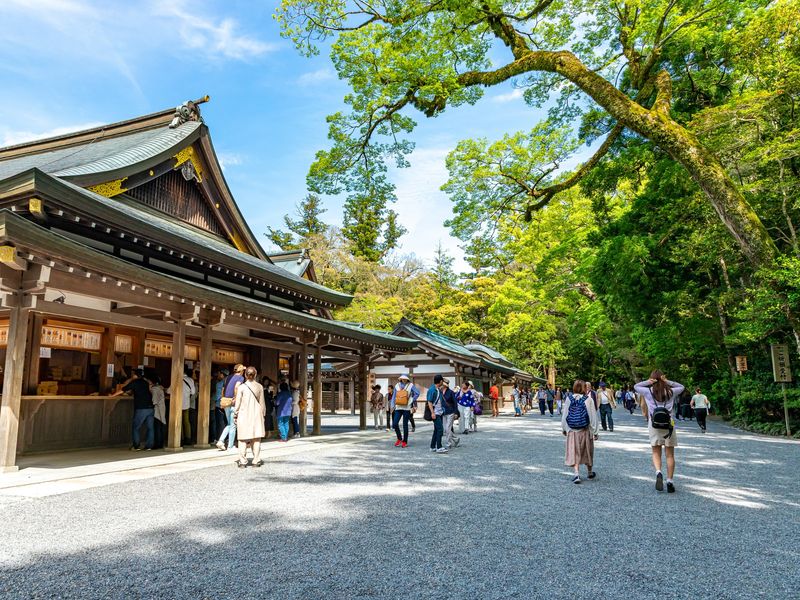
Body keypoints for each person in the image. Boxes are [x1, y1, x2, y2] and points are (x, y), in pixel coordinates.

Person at [636, 371, 685, 493]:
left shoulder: (648, 392)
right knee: (670, 454)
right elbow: (681, 387)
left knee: (656, 452)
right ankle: (670, 480)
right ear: (663, 379)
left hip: (654, 425)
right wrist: (667, 381)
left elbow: (636, 386)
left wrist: (649, 382)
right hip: (668, 426)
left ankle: (658, 472)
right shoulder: (671, 392)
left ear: (652, 379)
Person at [561, 380, 599, 484]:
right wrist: (595, 431)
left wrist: (564, 429)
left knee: (575, 451)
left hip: (573, 431)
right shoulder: (588, 400)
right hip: (585, 430)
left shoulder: (569, 399)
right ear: (584, 388)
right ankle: (590, 472)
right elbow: (593, 417)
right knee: (587, 450)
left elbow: (565, 415)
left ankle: (576, 474)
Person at [233, 366, 266, 467]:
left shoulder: (242, 387)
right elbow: (262, 403)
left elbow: (237, 403)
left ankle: (243, 461)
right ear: (255, 375)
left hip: (243, 414)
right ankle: (256, 460)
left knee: (242, 439)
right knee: (256, 438)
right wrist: (263, 415)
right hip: (257, 414)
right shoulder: (259, 387)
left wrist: (235, 413)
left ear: (245, 375)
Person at [113, 368, 154, 451]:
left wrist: (112, 395)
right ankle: (149, 446)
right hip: (150, 407)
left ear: (135, 375)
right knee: (150, 427)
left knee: (136, 427)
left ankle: (136, 446)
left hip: (141, 407)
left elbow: (123, 389)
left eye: (133, 374)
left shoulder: (135, 382)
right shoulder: (146, 382)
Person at [216, 364, 245, 451]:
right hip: (232, 403)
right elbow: (237, 387)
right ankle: (230, 446)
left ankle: (221, 441)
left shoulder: (228, 377)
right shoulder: (240, 378)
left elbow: (223, 389)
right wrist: (236, 398)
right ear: (241, 371)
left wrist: (222, 399)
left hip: (225, 402)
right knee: (233, 425)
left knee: (229, 424)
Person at [391, 374, 419, 448]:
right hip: (398, 407)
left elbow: (417, 393)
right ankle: (399, 438)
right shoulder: (397, 385)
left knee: (405, 425)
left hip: (407, 408)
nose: (403, 380)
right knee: (394, 424)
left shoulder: (411, 385)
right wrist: (392, 405)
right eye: (402, 378)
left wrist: (412, 400)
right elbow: (394, 396)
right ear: (400, 379)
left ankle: (405, 441)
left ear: (407, 379)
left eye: (405, 379)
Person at [427, 375, 447, 453]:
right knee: (440, 429)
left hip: (440, 412)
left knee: (436, 430)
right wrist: (432, 413)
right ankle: (439, 447)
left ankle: (432, 447)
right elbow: (429, 401)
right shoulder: (432, 390)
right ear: (441, 381)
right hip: (435, 412)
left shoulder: (438, 389)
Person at [149, 373, 166, 449]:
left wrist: (149, 389)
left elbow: (154, 401)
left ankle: (157, 444)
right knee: (160, 426)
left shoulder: (154, 389)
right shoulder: (160, 388)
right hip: (162, 408)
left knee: (157, 427)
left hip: (157, 410)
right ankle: (161, 443)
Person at [441, 378, 460, 449]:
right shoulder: (440, 391)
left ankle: (448, 443)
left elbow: (455, 403)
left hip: (451, 412)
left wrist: (456, 412)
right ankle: (456, 439)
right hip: (443, 412)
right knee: (445, 429)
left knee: (448, 428)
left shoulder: (451, 392)